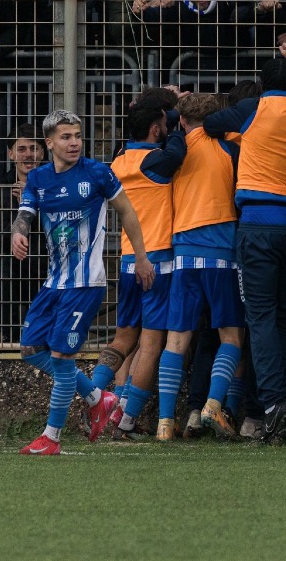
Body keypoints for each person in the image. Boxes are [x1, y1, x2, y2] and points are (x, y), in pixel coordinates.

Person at [9, 109, 154, 455]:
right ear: (49, 143)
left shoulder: (98, 173)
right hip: (54, 283)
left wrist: (142, 256)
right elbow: (25, 214)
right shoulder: (39, 178)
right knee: (30, 349)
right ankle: (96, 397)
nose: (74, 142)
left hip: (86, 283)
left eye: (77, 136)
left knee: (61, 356)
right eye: (66, 137)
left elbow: (127, 212)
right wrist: (18, 232)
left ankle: (51, 437)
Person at [204, 42, 286, 442]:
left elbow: (212, 124)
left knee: (261, 317)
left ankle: (271, 405)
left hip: (256, 225)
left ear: (263, 85)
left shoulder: (253, 109)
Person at [155, 93, 248, 441]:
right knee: (231, 336)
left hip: (183, 252)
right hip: (222, 252)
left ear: (181, 121)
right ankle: (212, 406)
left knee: (177, 339)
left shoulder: (175, 150)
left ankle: (165, 423)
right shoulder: (230, 150)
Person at [99, 101, 183, 440]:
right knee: (150, 343)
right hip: (157, 259)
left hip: (127, 258)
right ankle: (127, 419)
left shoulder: (119, 159)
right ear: (155, 128)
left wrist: (155, 112)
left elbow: (152, 131)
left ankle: (101, 401)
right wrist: (174, 114)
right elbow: (178, 140)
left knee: (123, 338)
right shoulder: (159, 160)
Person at [0, 123, 45, 343]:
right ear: (11, 154)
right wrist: (19, 214)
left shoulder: (53, 183)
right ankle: (12, 338)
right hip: (16, 259)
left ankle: (40, 337)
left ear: (43, 152)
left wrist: (31, 208)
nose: (28, 155)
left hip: (47, 257)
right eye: (21, 149)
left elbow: (58, 229)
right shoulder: (2, 186)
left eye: (34, 148)